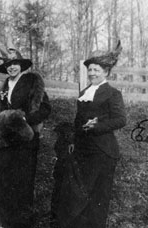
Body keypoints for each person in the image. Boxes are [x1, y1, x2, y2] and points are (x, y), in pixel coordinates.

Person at [54, 41, 126, 228]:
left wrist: (97, 126)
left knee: (98, 198)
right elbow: (78, 119)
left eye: (97, 70)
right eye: (90, 70)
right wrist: (72, 139)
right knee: (78, 195)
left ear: (106, 72)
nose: (92, 73)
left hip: (103, 152)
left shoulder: (112, 94)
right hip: (83, 151)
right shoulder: (85, 92)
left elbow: (120, 120)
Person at [0, 41, 51, 228]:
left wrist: (25, 120)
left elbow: (46, 108)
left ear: (21, 65)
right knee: (3, 182)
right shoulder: (4, 86)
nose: (11, 67)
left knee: (22, 185)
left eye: (15, 64)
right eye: (8, 65)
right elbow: (0, 111)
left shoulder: (32, 82)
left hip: (25, 140)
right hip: (5, 141)